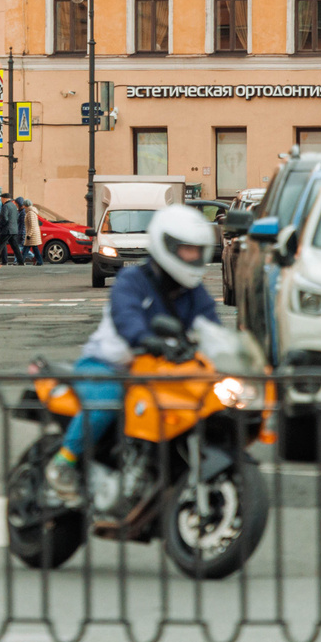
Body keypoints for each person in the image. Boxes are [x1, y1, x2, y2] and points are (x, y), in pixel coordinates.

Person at [46, 203, 221, 506]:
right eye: (187, 250)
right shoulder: (132, 281)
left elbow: (213, 327)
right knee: (108, 400)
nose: (194, 257)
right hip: (109, 365)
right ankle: (63, 463)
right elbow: (127, 318)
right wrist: (148, 340)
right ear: (167, 247)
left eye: (198, 250)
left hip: (158, 371)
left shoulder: (193, 292)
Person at [18, 194, 46, 267]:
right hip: (33, 234)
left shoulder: (30, 213)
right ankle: (39, 261)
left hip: (32, 234)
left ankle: (21, 261)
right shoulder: (30, 212)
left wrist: (29, 235)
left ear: (26, 205)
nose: (23, 206)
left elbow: (32, 225)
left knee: (26, 248)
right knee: (33, 248)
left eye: (24, 205)